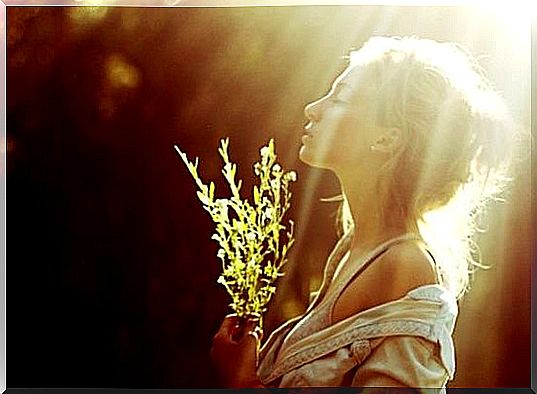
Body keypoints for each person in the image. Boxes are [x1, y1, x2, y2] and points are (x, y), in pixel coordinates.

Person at [210, 36, 516, 390]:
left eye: (338, 99)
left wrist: (242, 383)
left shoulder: (407, 269)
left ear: (387, 139)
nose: (313, 108)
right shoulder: (351, 251)